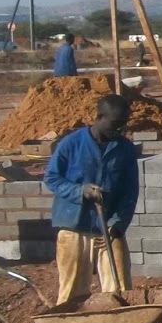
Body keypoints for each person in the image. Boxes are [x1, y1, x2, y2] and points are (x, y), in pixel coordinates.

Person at [43, 94, 139, 305]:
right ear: (99, 117)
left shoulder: (125, 149)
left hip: (109, 227)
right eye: (115, 124)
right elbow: (51, 178)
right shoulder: (71, 144)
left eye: (124, 124)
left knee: (120, 288)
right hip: (74, 226)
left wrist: (119, 223)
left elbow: (130, 191)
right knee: (73, 291)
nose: (120, 130)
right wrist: (80, 191)